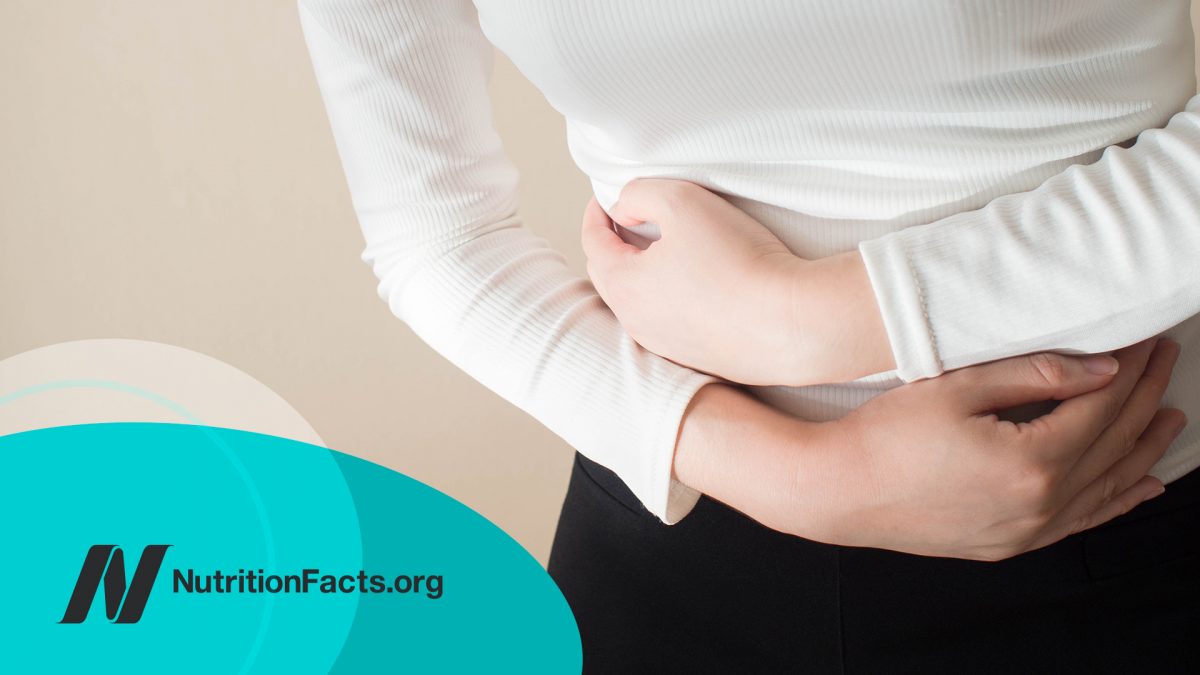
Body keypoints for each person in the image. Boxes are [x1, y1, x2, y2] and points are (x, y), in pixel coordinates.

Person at [296, 1, 1200, 671]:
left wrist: (815, 317)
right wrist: (808, 479)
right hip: (676, 540)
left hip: (1119, 513)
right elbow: (436, 237)